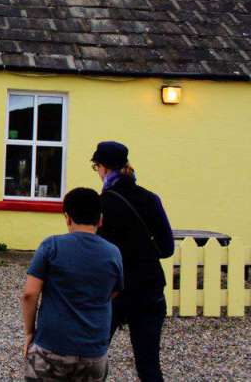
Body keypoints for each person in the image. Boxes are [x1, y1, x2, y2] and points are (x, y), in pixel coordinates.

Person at [91, 141, 175, 382]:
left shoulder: (102, 204)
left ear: (104, 168)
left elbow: (99, 253)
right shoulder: (150, 198)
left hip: (114, 292)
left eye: (96, 167)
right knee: (149, 366)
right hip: (149, 288)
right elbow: (167, 247)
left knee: (92, 357)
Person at [21, 187, 123, 382]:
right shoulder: (113, 253)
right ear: (100, 219)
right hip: (93, 352)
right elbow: (114, 292)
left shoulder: (51, 246)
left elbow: (29, 294)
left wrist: (29, 332)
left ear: (67, 218)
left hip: (51, 346)